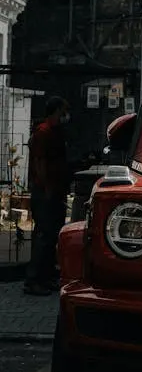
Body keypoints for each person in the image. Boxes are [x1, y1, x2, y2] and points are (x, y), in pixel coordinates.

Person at [24, 96, 71, 296]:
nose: (65, 116)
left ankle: (46, 276)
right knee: (44, 235)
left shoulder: (53, 132)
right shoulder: (43, 133)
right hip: (46, 191)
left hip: (54, 188)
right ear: (56, 111)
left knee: (51, 235)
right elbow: (40, 162)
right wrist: (46, 187)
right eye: (63, 112)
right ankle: (34, 279)